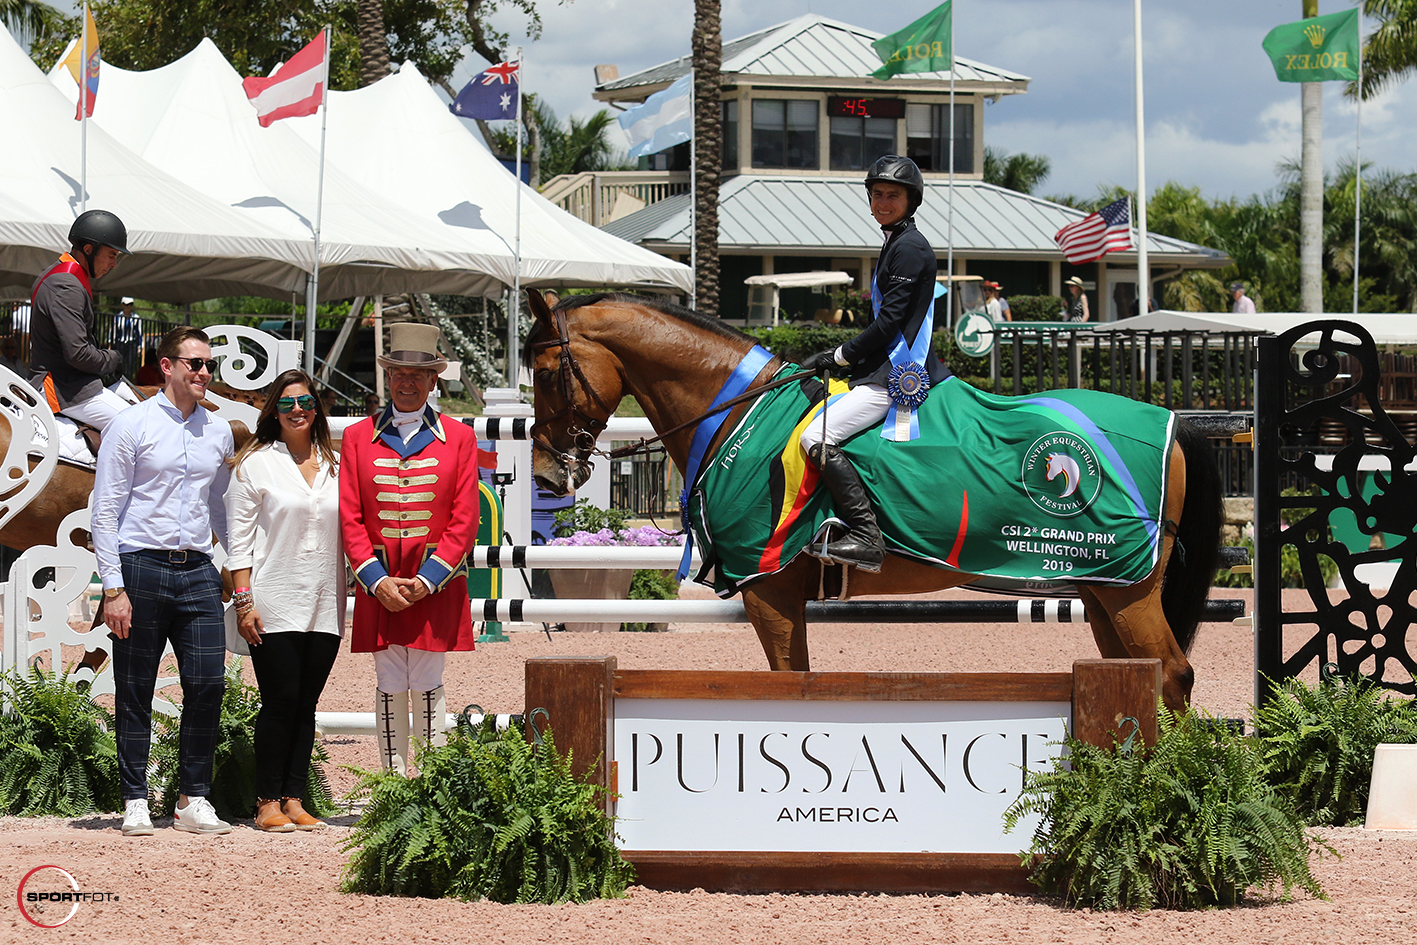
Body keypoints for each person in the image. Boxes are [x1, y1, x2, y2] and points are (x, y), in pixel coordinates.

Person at [92, 325, 235, 838]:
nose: (203, 373)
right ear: (166, 367)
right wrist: (112, 587)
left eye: (208, 365)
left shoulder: (217, 432)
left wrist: (236, 564)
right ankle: (133, 799)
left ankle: (192, 798)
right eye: (193, 363)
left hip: (197, 568)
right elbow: (104, 510)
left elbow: (219, 505)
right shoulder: (129, 425)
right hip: (141, 566)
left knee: (208, 683)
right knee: (134, 687)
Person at [339, 323, 481, 775]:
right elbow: (350, 515)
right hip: (379, 581)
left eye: (417, 375)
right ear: (387, 378)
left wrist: (428, 580)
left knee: (427, 680)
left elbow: (465, 518)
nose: (406, 382)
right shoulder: (357, 437)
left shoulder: (459, 438)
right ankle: (395, 786)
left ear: (433, 381)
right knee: (387, 680)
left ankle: (433, 787)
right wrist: (376, 581)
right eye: (398, 373)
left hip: (431, 584)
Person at [799, 155, 950, 572]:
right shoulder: (895, 242)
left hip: (897, 376)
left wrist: (840, 354)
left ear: (910, 200)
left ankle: (867, 537)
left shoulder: (910, 248)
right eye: (878, 194)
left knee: (815, 437)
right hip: (882, 367)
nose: (883, 202)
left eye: (893, 196)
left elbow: (888, 323)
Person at [225, 369, 344, 832]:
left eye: (307, 403)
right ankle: (266, 800)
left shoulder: (336, 465)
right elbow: (238, 541)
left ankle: (295, 796)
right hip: (272, 598)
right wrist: (242, 601)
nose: (298, 410)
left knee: (307, 702)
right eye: (288, 403)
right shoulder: (255, 464)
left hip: (325, 599)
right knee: (280, 699)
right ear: (274, 411)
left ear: (317, 410)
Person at [29, 209, 131, 431]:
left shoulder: (60, 274)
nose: (114, 264)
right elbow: (78, 354)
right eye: (112, 255)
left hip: (72, 382)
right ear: (88, 249)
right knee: (141, 426)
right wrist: (113, 358)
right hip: (62, 389)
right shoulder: (67, 286)